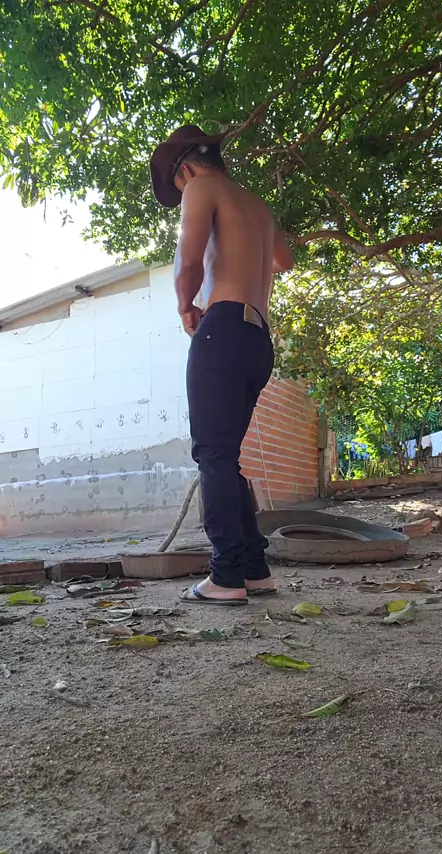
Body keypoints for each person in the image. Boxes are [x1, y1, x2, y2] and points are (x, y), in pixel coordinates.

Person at [150, 125, 293, 605]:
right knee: (226, 457)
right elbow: (284, 260)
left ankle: (226, 575)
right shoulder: (258, 206)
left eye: (179, 185)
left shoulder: (202, 187)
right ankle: (254, 569)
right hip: (258, 337)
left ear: (186, 169)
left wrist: (185, 307)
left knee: (212, 455)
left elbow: (187, 260)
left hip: (224, 327)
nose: (183, 193)